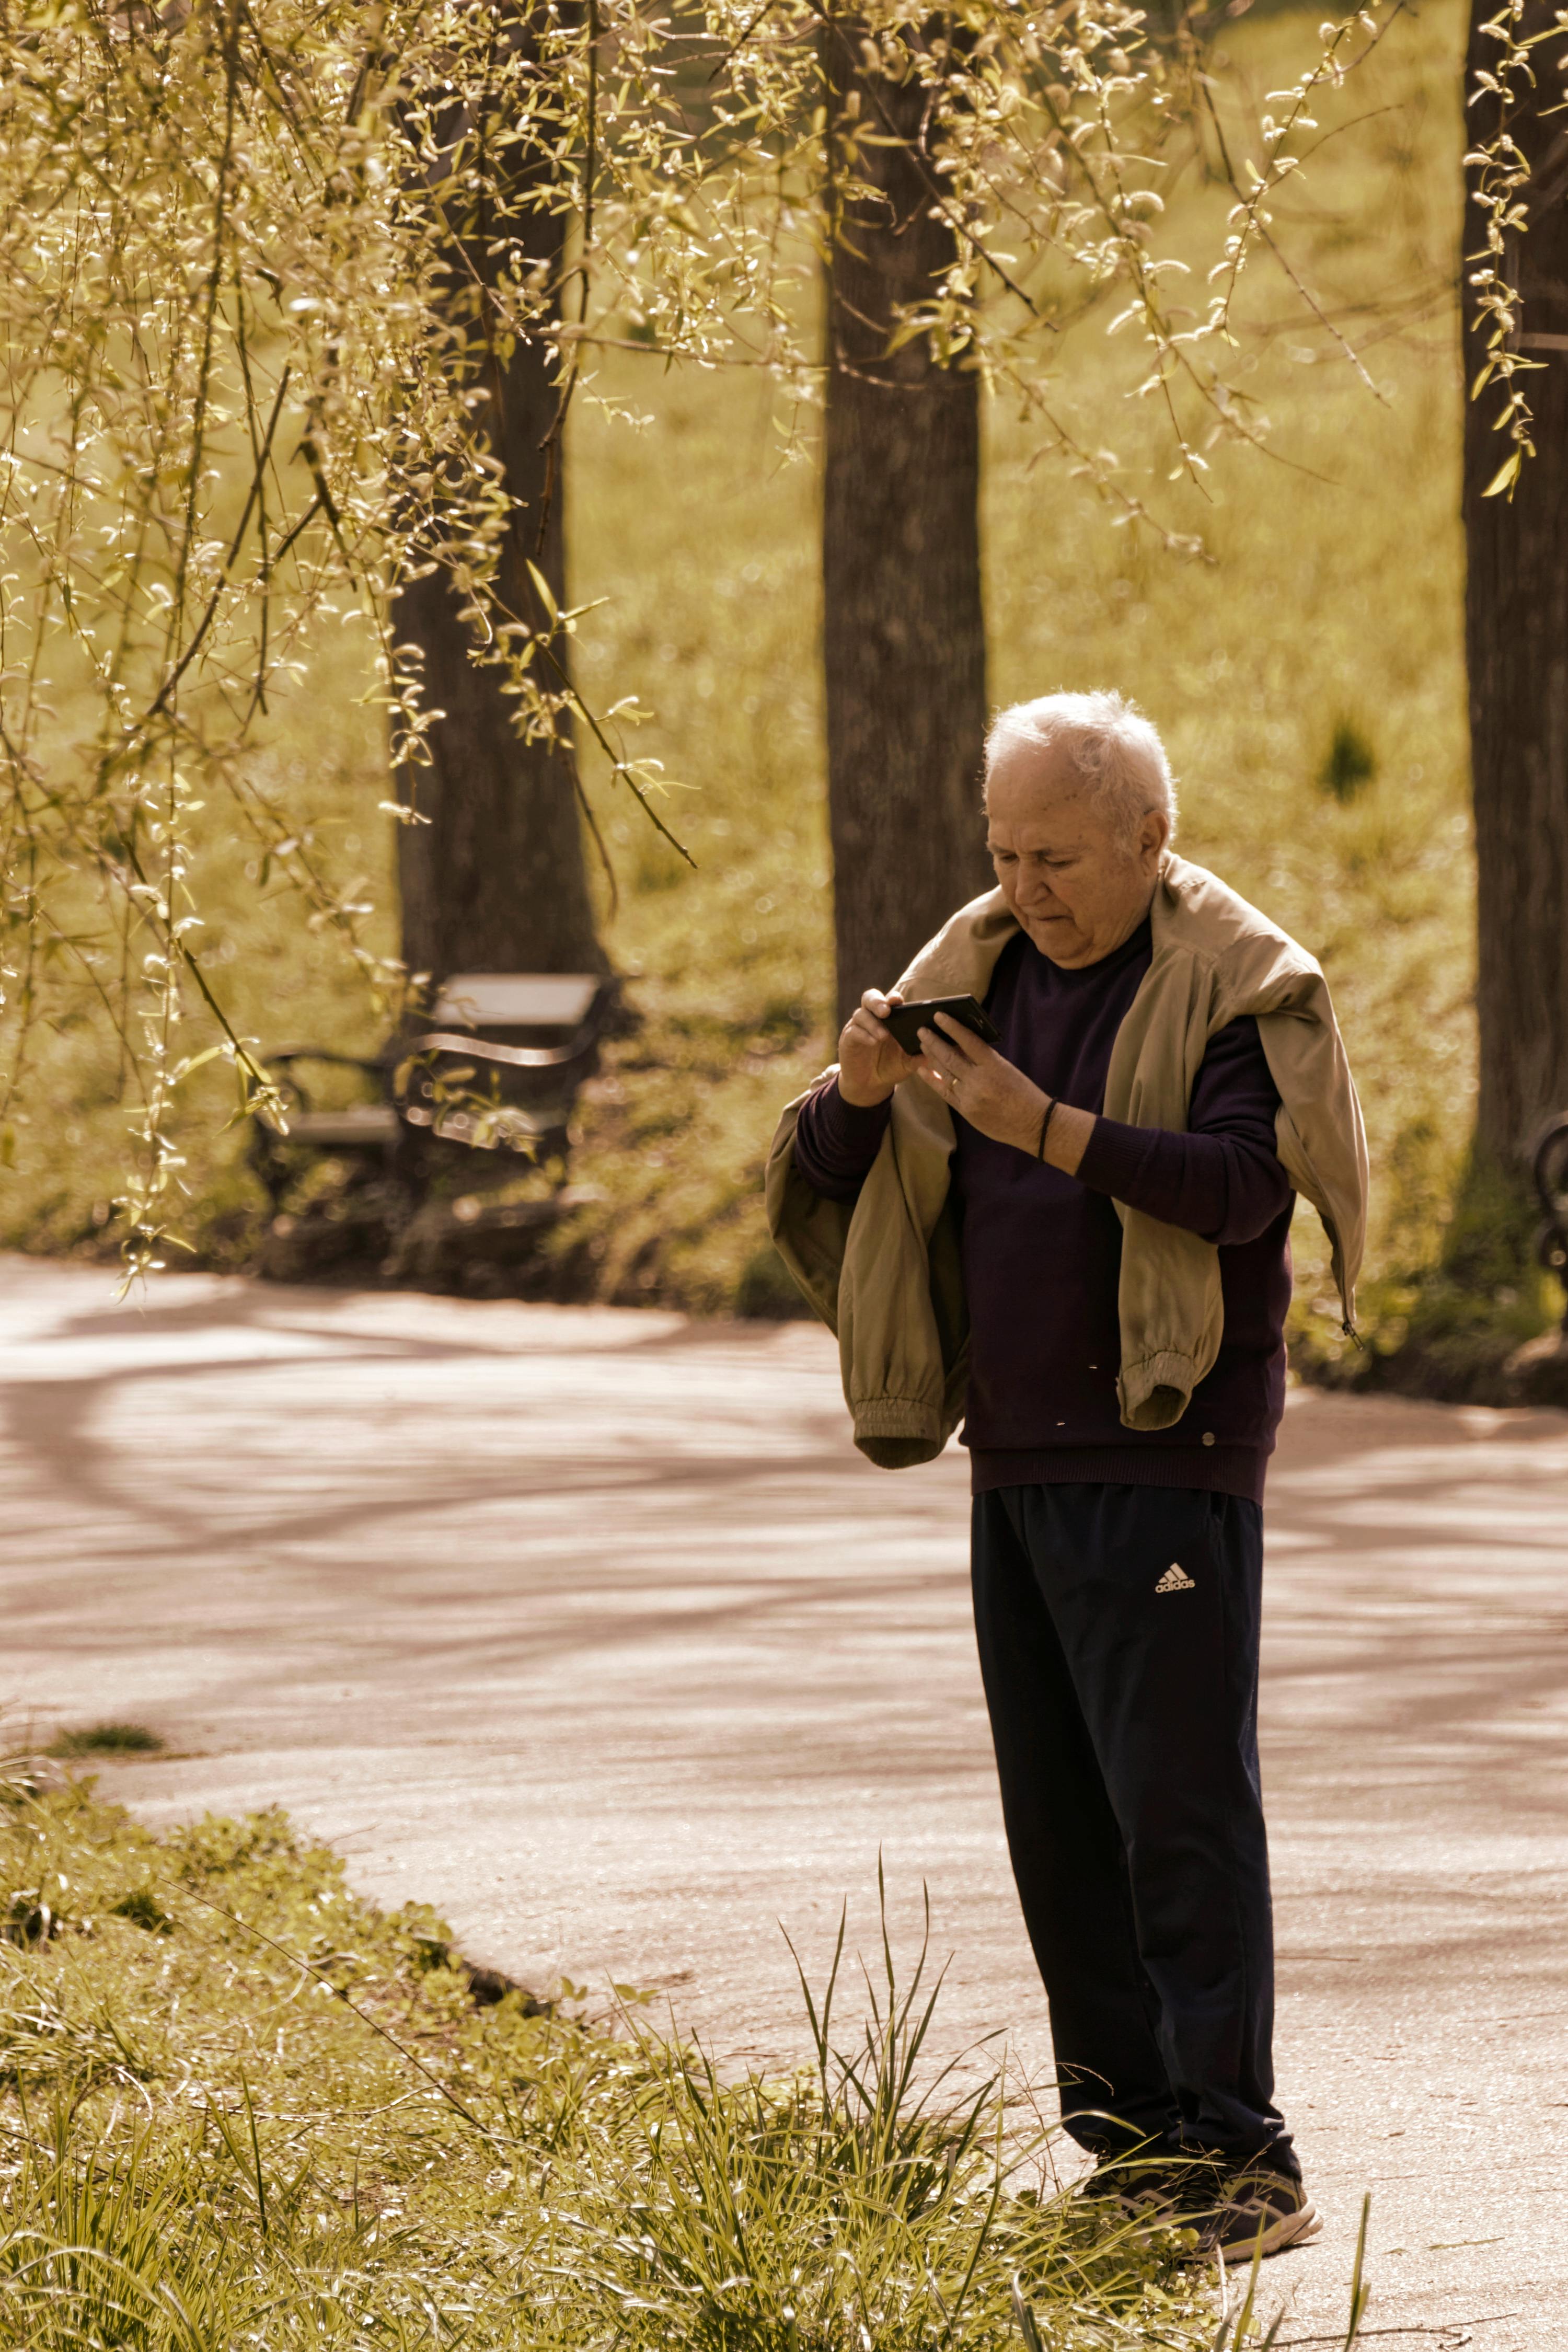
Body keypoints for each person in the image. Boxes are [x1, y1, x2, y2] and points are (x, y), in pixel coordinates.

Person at [766, 690, 1368, 2262]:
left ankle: (1250, 2160)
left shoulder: (1232, 984)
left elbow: (1247, 1190)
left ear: (1149, 841)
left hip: (1174, 1454)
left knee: (1177, 1811)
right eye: (1005, 852)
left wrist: (1046, 1126)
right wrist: (854, 1099)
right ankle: (1140, 2150)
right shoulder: (967, 977)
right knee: (1062, 1821)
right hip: (1012, 1455)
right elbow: (829, 1180)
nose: (1026, 886)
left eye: (1058, 857)